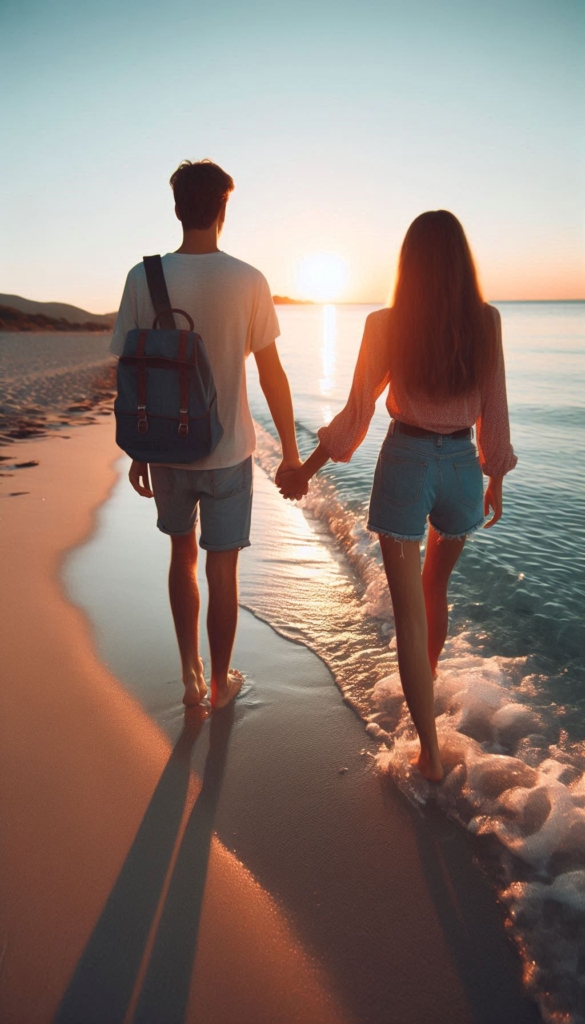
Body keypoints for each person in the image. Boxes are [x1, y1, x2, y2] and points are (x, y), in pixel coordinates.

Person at [279, 210, 517, 781]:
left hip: (406, 460)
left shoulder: (386, 323)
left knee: (409, 612)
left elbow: (358, 412)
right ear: (462, 261)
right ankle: (425, 691)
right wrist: (495, 477)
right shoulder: (485, 321)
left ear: (407, 264)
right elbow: (495, 408)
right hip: (462, 466)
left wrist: (306, 468)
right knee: (435, 593)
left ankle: (429, 752)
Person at [109, 159, 302, 710]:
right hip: (230, 451)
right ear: (223, 208)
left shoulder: (141, 277)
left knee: (181, 557)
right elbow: (271, 374)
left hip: (166, 448)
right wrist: (289, 454)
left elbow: (129, 370)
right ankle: (220, 687)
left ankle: (189, 675)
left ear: (176, 208)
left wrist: (136, 447)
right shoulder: (249, 279)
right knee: (223, 567)